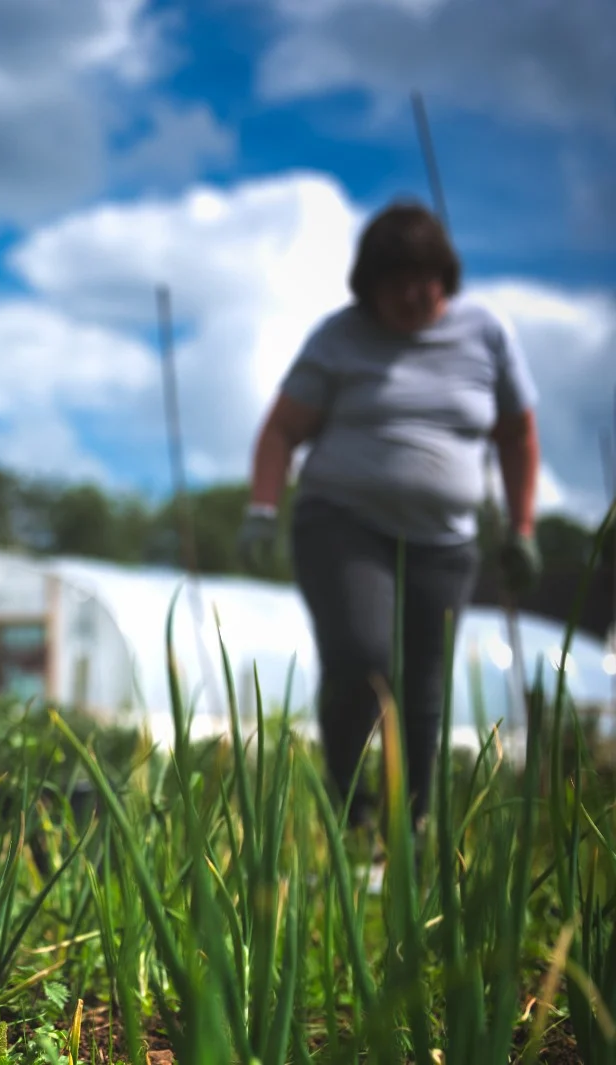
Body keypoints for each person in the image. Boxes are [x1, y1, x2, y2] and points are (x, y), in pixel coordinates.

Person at [238, 201, 542, 833]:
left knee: (424, 684)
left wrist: (522, 528)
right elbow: (282, 429)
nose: (407, 295)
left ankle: (413, 826)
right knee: (362, 654)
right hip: (344, 523)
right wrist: (262, 509)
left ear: (445, 276)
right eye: (391, 282)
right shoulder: (339, 337)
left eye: (421, 279)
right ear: (367, 286)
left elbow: (517, 436)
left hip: (444, 542)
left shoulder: (486, 335)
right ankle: (348, 807)